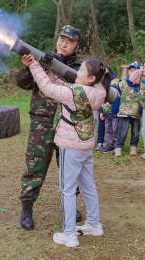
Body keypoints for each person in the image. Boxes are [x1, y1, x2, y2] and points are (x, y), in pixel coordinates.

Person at [27, 57, 109, 248]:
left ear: (91, 78)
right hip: (85, 146)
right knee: (88, 185)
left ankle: (69, 234)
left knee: (67, 190)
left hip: (70, 147)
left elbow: (48, 88)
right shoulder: (99, 91)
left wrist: (34, 65)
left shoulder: (74, 93)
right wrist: (49, 70)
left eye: (81, 70)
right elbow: (65, 86)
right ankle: (95, 224)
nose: (77, 72)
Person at [16, 25, 82, 231]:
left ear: (77, 45)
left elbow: (84, 91)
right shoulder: (42, 59)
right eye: (61, 39)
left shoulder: (80, 69)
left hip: (68, 124)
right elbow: (23, 84)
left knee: (69, 167)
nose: (63, 44)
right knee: (35, 165)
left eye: (69, 41)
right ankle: (27, 208)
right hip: (42, 122)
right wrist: (28, 68)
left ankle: (70, 204)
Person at [113, 61, 142, 157]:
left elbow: (143, 97)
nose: (132, 73)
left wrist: (141, 109)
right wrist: (114, 109)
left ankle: (133, 148)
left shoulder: (141, 85)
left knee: (135, 132)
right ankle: (118, 148)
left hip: (136, 112)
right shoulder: (123, 83)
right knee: (122, 132)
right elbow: (117, 97)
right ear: (128, 72)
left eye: (135, 71)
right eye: (131, 71)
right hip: (124, 112)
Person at [100, 69, 121, 154]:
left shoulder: (116, 82)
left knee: (115, 128)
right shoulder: (100, 83)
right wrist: (101, 111)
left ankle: (116, 146)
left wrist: (115, 110)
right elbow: (99, 97)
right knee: (107, 129)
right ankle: (109, 145)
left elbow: (120, 96)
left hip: (114, 111)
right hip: (105, 111)